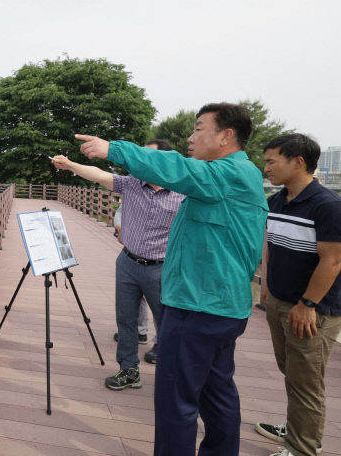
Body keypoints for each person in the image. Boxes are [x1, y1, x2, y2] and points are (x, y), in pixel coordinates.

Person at [76, 102, 267, 455]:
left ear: (226, 136)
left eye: (198, 128)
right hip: (223, 306)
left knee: (176, 401)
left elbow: (176, 168)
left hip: (198, 307)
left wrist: (115, 149)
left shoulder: (226, 174)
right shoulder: (243, 173)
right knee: (217, 391)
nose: (190, 137)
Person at [52, 139, 183, 390]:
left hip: (162, 268)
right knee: (125, 319)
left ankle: (172, 375)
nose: (141, 159)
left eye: (148, 155)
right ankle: (128, 369)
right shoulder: (133, 184)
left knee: (167, 323)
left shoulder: (182, 192)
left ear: (164, 162)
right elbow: (99, 175)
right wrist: (69, 165)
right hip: (128, 262)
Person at [255, 134, 341, 456]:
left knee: (306, 384)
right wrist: (265, 285)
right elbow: (270, 244)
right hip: (280, 302)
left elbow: (333, 260)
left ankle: (301, 447)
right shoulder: (278, 201)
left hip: (312, 310)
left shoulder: (328, 206)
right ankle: (299, 429)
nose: (267, 168)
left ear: (298, 162)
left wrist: (308, 304)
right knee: (292, 375)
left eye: (271, 161)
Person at [114, 205, 153, 347]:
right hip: (132, 254)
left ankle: (161, 342)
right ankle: (139, 331)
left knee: (161, 303)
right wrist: (119, 227)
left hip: (161, 258)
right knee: (137, 294)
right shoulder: (135, 186)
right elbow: (121, 211)